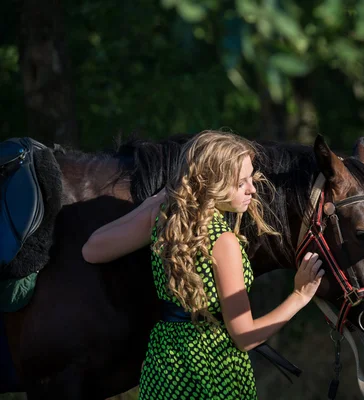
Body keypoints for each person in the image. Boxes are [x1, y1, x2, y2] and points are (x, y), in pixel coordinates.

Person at [81, 131, 324, 399]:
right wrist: (299, 296)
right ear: (212, 183)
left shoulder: (163, 220)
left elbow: (92, 249)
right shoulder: (223, 242)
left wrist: (153, 203)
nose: (252, 189)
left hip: (166, 365)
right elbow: (245, 337)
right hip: (212, 370)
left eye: (251, 179)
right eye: (240, 183)